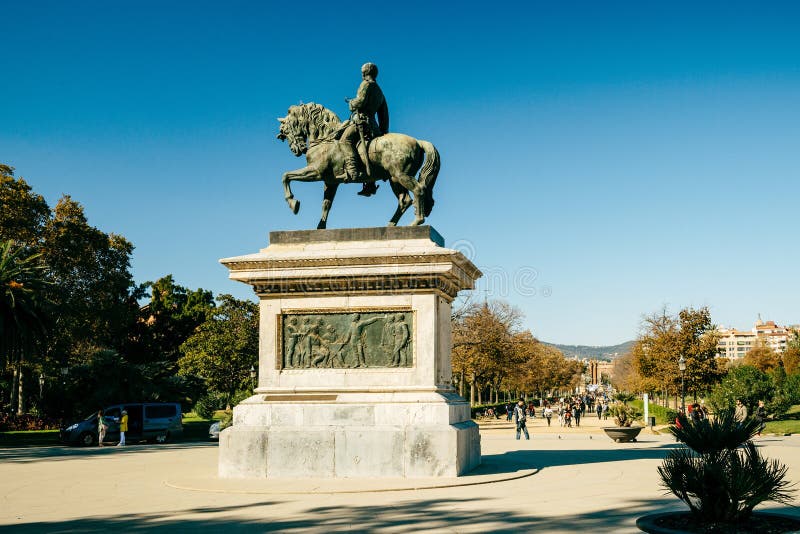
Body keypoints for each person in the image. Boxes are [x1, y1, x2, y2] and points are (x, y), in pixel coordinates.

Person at [341, 62, 389, 197]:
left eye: (362, 72)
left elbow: (360, 102)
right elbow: (384, 114)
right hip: (374, 127)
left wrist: (351, 102)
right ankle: (370, 183)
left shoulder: (366, 84)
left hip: (361, 122)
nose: (361, 74)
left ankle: (352, 170)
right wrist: (383, 130)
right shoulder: (380, 92)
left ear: (365, 73)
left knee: (345, 141)